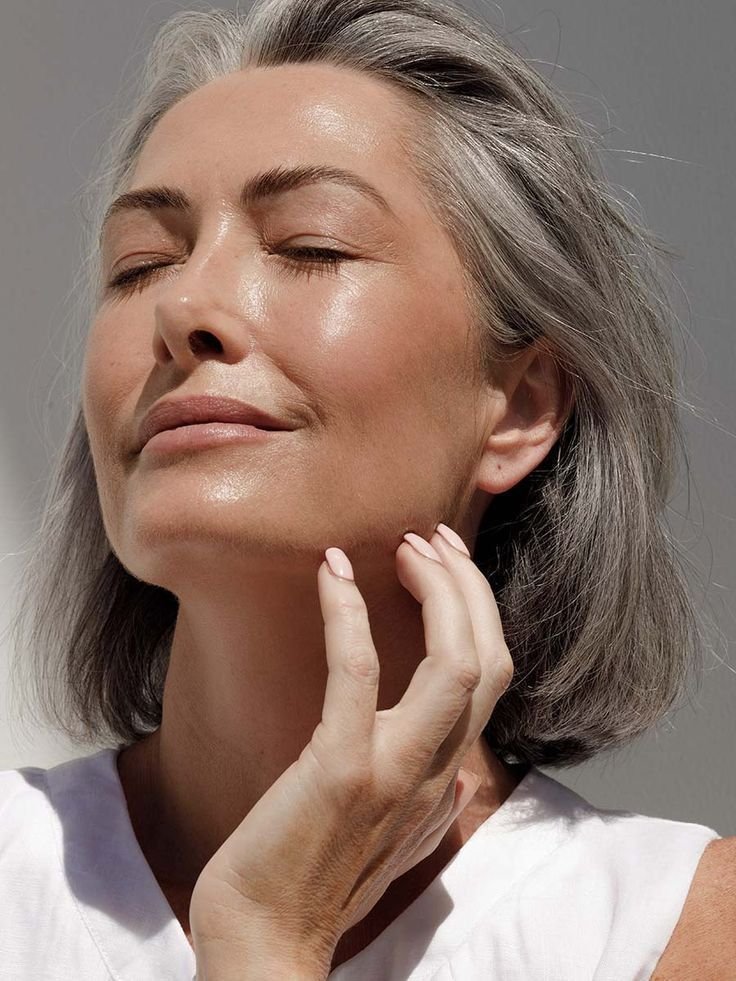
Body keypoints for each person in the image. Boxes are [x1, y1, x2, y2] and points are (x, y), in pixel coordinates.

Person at [1, 0, 733, 977]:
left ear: (518, 407)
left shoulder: (670, 931)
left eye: (310, 245)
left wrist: (267, 933)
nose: (185, 307)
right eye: (140, 265)